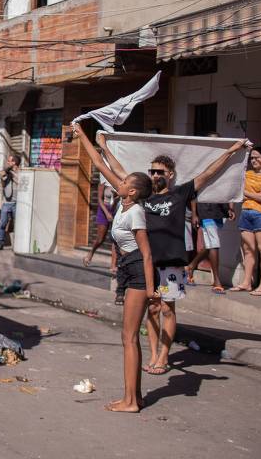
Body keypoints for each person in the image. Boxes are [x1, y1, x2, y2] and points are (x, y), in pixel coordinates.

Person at [97, 133, 248, 376]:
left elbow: (209, 173)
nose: (156, 175)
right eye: (153, 171)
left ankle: (164, 356)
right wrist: (104, 147)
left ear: (171, 174)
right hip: (146, 263)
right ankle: (155, 353)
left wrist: (231, 150)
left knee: (168, 309)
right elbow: (118, 170)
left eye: (160, 172)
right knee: (152, 310)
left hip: (171, 263)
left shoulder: (180, 193)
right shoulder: (143, 195)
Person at [73, 123, 155, 413]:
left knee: (129, 338)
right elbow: (99, 162)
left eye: (122, 182)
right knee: (129, 337)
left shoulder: (136, 214)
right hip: (129, 269)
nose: (116, 183)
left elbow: (146, 255)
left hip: (137, 271)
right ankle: (136, 397)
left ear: (131, 191)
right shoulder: (124, 202)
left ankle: (130, 401)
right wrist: (82, 132)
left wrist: (152, 290)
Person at [234, 148, 261, 296]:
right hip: (245, 212)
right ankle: (247, 282)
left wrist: (246, 193)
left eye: (257, 157)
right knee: (248, 249)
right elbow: (239, 194)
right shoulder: (247, 174)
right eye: (251, 158)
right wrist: (255, 195)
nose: (253, 160)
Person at [186, 201, 235, 293]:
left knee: (211, 245)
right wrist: (194, 214)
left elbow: (229, 191)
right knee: (214, 243)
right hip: (206, 211)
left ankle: (191, 266)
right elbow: (194, 194)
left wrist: (230, 208)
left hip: (221, 212)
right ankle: (217, 281)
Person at [84, 178, 117, 266]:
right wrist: (107, 213)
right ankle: (91, 253)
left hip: (115, 210)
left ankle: (113, 265)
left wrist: (117, 198)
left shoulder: (118, 181)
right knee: (100, 239)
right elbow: (99, 199)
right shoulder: (103, 182)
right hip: (104, 211)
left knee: (116, 239)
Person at [0, 154, 20, 251]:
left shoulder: (21, 172)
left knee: (17, 224)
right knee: (2, 223)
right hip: (7, 202)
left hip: (17, 202)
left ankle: (17, 244)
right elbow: (1, 173)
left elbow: (19, 181)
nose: (7, 162)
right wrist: (8, 169)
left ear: (15, 162)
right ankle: (0, 243)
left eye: (9, 161)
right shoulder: (6, 172)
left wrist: (13, 172)